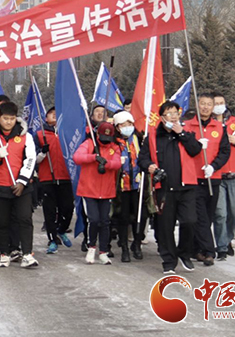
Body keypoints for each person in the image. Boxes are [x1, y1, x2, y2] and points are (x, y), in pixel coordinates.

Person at [138, 101, 204, 274]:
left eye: (176, 113)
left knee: (190, 221)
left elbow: (196, 150)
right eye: (169, 113)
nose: (173, 117)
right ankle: (169, 260)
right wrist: (149, 166)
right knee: (165, 226)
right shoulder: (153, 136)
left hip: (187, 187)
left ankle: (184, 253)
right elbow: (142, 159)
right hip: (165, 188)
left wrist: (181, 133)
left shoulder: (186, 133)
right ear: (162, 117)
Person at [0, 101, 38, 269]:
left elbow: (30, 159)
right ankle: (4, 253)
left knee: (24, 219)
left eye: (12, 118)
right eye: (5, 118)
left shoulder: (25, 136)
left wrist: (22, 181)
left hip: (21, 186)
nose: (9, 122)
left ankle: (27, 254)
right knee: (1, 221)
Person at [183, 93, 230, 266]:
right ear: (197, 105)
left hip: (212, 177)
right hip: (193, 177)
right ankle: (209, 251)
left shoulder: (220, 127)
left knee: (208, 216)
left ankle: (196, 249)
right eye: (202, 103)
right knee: (200, 216)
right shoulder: (188, 126)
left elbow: (225, 151)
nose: (205, 107)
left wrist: (214, 166)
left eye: (208, 104)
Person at [73, 122, 122, 264]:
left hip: (106, 191)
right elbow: (77, 157)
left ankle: (103, 251)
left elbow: (117, 163)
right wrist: (93, 157)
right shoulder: (89, 144)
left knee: (105, 221)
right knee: (94, 220)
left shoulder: (114, 147)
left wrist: (106, 163)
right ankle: (91, 247)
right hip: (89, 189)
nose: (106, 140)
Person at [212, 93, 235, 260]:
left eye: (222, 102)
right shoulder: (209, 124)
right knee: (220, 213)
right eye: (216, 103)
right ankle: (221, 246)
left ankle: (227, 239)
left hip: (234, 173)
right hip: (216, 173)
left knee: (234, 212)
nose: (219, 105)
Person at [34, 107, 74, 253]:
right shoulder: (40, 134)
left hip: (65, 177)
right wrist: (42, 153)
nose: (55, 116)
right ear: (46, 118)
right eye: (52, 114)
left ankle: (61, 230)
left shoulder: (68, 133)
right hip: (47, 178)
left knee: (68, 208)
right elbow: (34, 158)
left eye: (58, 114)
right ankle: (52, 239)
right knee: (49, 210)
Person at [112, 111, 148, 262]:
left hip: (138, 184)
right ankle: (124, 248)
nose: (127, 127)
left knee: (141, 215)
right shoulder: (114, 142)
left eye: (129, 124)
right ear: (117, 127)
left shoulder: (139, 139)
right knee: (123, 216)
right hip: (122, 186)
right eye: (123, 125)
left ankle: (137, 243)